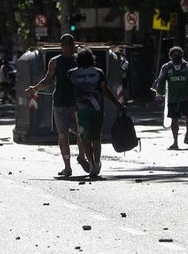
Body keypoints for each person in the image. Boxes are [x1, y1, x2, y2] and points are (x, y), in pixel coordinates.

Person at [25, 34, 81, 177]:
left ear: (61, 46)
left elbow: (47, 81)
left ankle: (68, 167)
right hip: (75, 103)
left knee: (63, 136)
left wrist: (34, 89)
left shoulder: (55, 62)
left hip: (63, 103)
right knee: (81, 133)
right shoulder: (79, 60)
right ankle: (81, 157)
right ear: (73, 45)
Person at [67, 47, 125, 178]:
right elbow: (105, 91)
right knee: (96, 138)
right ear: (91, 59)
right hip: (97, 110)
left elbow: (69, 90)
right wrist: (117, 104)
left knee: (85, 139)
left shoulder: (71, 73)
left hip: (81, 111)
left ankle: (92, 163)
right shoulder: (98, 72)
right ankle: (97, 162)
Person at [151, 45, 188, 149]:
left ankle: (187, 132)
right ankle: (175, 142)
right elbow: (161, 81)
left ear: (182, 55)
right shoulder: (166, 67)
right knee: (174, 120)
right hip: (173, 98)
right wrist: (160, 95)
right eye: (174, 55)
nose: (176, 56)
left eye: (179, 55)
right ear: (170, 56)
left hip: (186, 97)